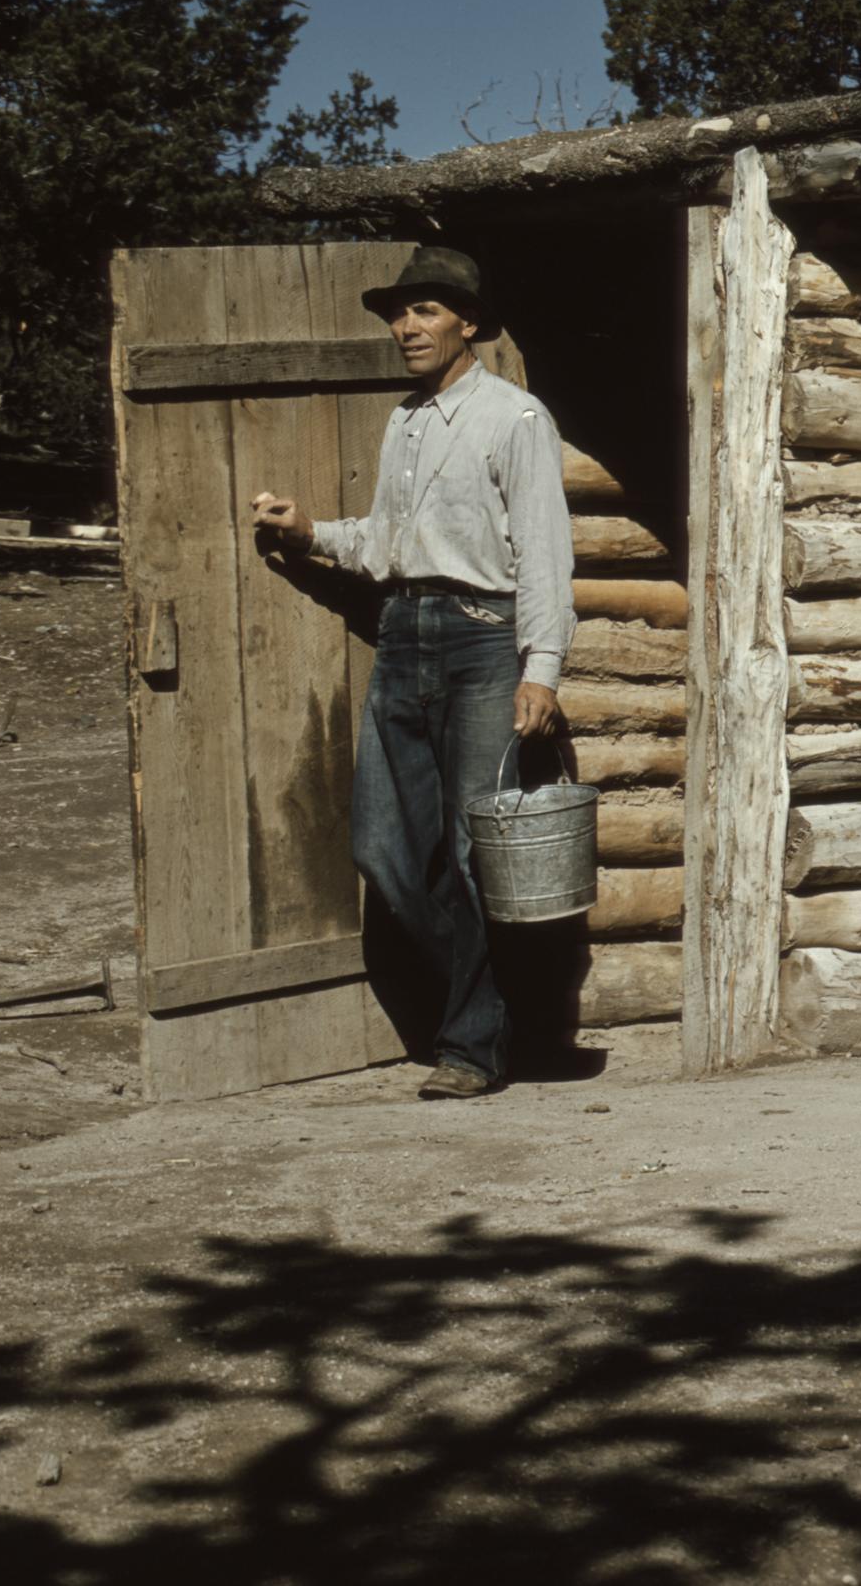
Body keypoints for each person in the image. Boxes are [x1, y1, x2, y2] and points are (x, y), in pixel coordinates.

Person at [252, 244, 575, 1097]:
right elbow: (388, 544)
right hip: (404, 635)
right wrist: (309, 531)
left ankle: (472, 1043)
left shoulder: (515, 417)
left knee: (474, 855)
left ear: (469, 321)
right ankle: (507, 1014)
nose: (406, 326)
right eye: (400, 313)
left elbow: (544, 554)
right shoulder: (405, 420)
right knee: (384, 848)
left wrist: (540, 667)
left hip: (480, 637)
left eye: (425, 310)